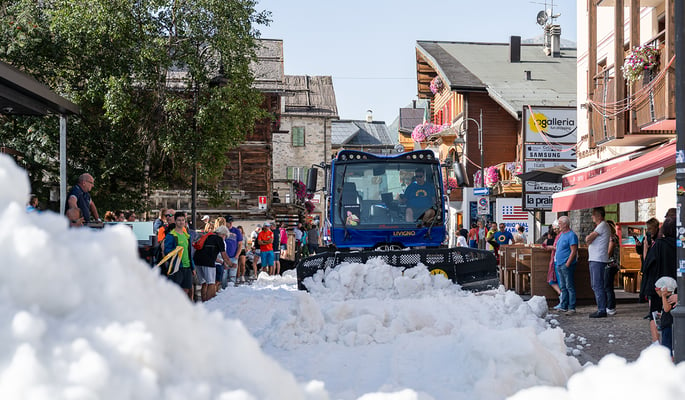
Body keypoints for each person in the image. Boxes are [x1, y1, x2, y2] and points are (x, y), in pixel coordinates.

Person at [642, 217, 676, 344]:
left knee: (655, 312)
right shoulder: (680, 245)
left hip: (658, 286)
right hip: (676, 287)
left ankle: (657, 343)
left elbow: (647, 264)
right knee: (670, 313)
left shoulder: (659, 245)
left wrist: (646, 246)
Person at [163, 211, 196, 300]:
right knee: (176, 291)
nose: (181, 222)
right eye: (179, 220)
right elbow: (167, 251)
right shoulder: (171, 235)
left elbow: (189, 253)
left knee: (186, 290)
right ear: (175, 221)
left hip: (187, 267)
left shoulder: (187, 236)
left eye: (183, 220)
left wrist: (192, 267)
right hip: (177, 267)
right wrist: (176, 250)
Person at [586, 207, 611, 318]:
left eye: (594, 214)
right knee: (596, 284)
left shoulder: (602, 226)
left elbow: (588, 239)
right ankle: (601, 308)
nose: (592, 217)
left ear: (599, 216)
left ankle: (601, 309)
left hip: (598, 259)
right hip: (595, 258)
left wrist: (589, 238)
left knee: (597, 284)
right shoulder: (600, 227)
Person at [193, 226, 230, 301]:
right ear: (223, 234)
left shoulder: (207, 236)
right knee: (211, 283)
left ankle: (204, 301)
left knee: (204, 283)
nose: (224, 238)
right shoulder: (218, 239)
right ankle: (210, 303)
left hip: (197, 261)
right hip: (208, 262)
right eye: (225, 236)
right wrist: (230, 263)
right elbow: (224, 255)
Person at [555, 216, 578, 314]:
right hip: (559, 263)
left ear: (565, 224)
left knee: (569, 286)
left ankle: (571, 307)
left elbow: (574, 250)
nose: (558, 225)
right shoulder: (562, 234)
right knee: (563, 286)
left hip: (566, 264)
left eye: (560, 223)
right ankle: (564, 305)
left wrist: (568, 263)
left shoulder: (571, 235)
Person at [654, 276, 677, 355]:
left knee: (667, 347)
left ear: (664, 289)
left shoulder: (670, 298)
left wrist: (663, 296)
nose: (656, 291)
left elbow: (667, 309)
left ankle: (669, 360)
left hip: (668, 326)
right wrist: (662, 314)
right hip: (667, 325)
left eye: (657, 289)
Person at [542, 221, 562, 307]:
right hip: (557, 260)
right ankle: (562, 298)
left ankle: (562, 297)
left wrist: (551, 247)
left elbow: (543, 245)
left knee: (560, 281)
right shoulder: (559, 237)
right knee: (558, 281)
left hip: (559, 260)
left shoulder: (561, 237)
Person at [221, 215, 244, 285]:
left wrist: (237, 255)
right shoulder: (222, 231)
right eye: (229, 222)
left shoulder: (236, 231)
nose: (230, 223)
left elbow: (240, 244)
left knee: (232, 276)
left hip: (233, 256)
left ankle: (231, 291)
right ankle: (224, 291)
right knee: (223, 277)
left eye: (231, 222)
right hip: (224, 257)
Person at [604, 220, 620, 316]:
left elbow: (609, 253)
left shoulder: (612, 239)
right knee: (608, 286)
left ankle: (610, 307)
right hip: (612, 265)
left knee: (608, 287)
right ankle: (609, 306)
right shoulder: (615, 237)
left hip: (610, 265)